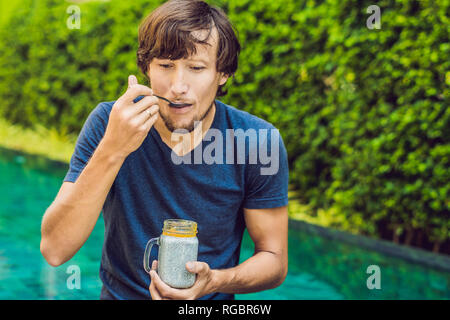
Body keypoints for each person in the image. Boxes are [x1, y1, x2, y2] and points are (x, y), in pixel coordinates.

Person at [40, 0, 289, 300]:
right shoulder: (109, 124)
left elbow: (274, 260)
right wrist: (114, 148)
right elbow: (55, 249)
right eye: (165, 65)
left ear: (222, 73)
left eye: (196, 68)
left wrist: (214, 281)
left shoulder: (257, 140)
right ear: (147, 67)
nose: (178, 86)